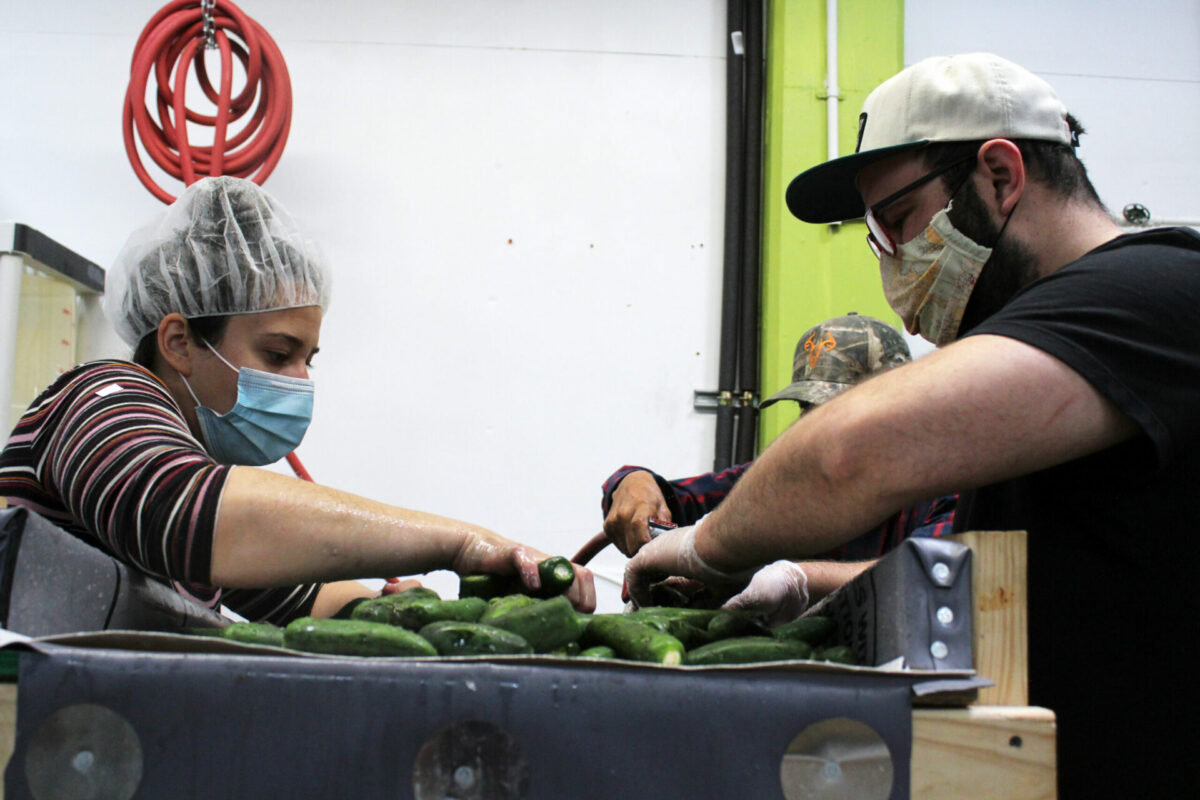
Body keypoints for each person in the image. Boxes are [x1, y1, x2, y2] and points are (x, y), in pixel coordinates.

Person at [624, 52, 1199, 796]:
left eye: (898, 219)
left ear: (1000, 176)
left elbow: (849, 454)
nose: (893, 260)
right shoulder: (1071, 358)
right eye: (877, 237)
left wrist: (707, 548)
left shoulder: (1156, 291)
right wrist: (812, 590)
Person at [0, 176, 595, 623]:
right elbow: (184, 515)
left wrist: (402, 609)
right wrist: (462, 543)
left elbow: (303, 596)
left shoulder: (202, 463)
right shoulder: (101, 397)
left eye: (308, 360)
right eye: (278, 354)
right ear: (179, 341)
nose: (298, 382)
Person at [600, 313, 955, 614]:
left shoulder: (945, 488)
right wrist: (633, 484)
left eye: (839, 410)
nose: (817, 427)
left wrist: (798, 581)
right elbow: (681, 501)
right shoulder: (787, 482)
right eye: (808, 408)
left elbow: (931, 571)